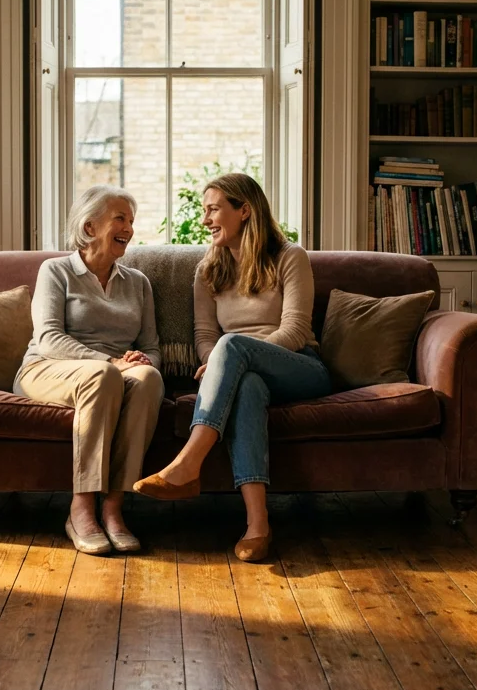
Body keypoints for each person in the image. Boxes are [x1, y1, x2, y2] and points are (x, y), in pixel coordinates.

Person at [133, 172, 330, 562]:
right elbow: (204, 337)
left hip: (300, 367)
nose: (205, 219)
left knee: (233, 347)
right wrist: (220, 362)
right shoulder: (209, 268)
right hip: (248, 372)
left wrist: (233, 354)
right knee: (249, 386)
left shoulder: (290, 257)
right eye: (204, 211)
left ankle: (189, 463)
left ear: (245, 210)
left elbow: (294, 331)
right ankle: (258, 526)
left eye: (213, 209)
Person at [15, 185, 165, 555]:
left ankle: (114, 508)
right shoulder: (56, 271)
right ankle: (81, 508)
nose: (128, 228)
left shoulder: (138, 283)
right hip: (49, 369)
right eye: (119, 218)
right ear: (89, 226)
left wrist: (142, 363)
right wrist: (110, 361)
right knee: (104, 375)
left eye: (131, 221)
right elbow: (48, 338)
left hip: (116, 374)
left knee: (148, 379)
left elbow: (151, 349)